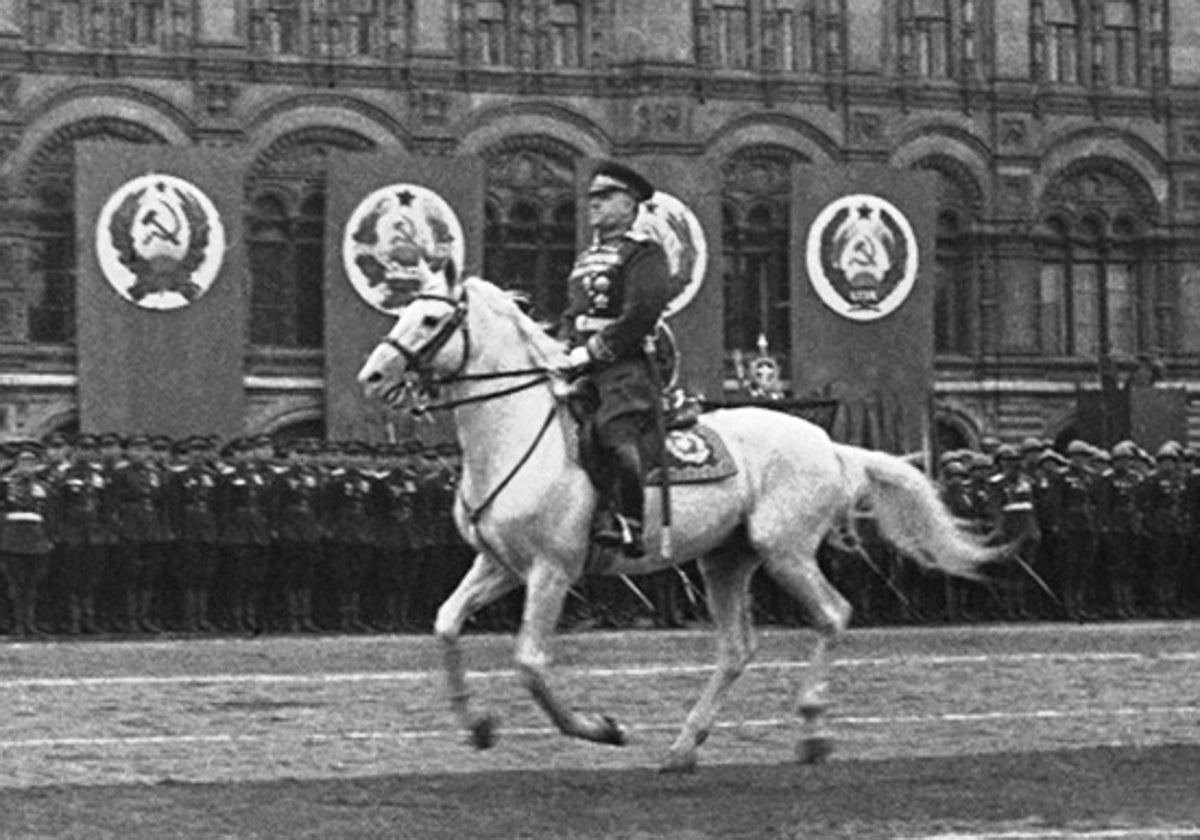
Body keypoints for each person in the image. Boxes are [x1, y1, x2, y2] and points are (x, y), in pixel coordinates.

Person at [558, 160, 673, 557]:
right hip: (581, 365)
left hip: (625, 367)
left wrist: (593, 350)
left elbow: (642, 313)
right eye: (592, 197)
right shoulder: (585, 258)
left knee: (615, 429)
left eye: (606, 197)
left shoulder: (645, 253)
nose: (594, 204)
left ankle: (628, 521)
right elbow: (572, 311)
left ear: (630, 205)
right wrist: (563, 347)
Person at [1, 441, 55, 637]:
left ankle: (30, 623)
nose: (27, 467)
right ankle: (17, 624)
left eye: (31, 462)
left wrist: (49, 537)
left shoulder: (43, 486)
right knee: (16, 585)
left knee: (33, 585)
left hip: (37, 539)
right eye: (23, 462)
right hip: (12, 537)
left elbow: (50, 513)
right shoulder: (5, 484)